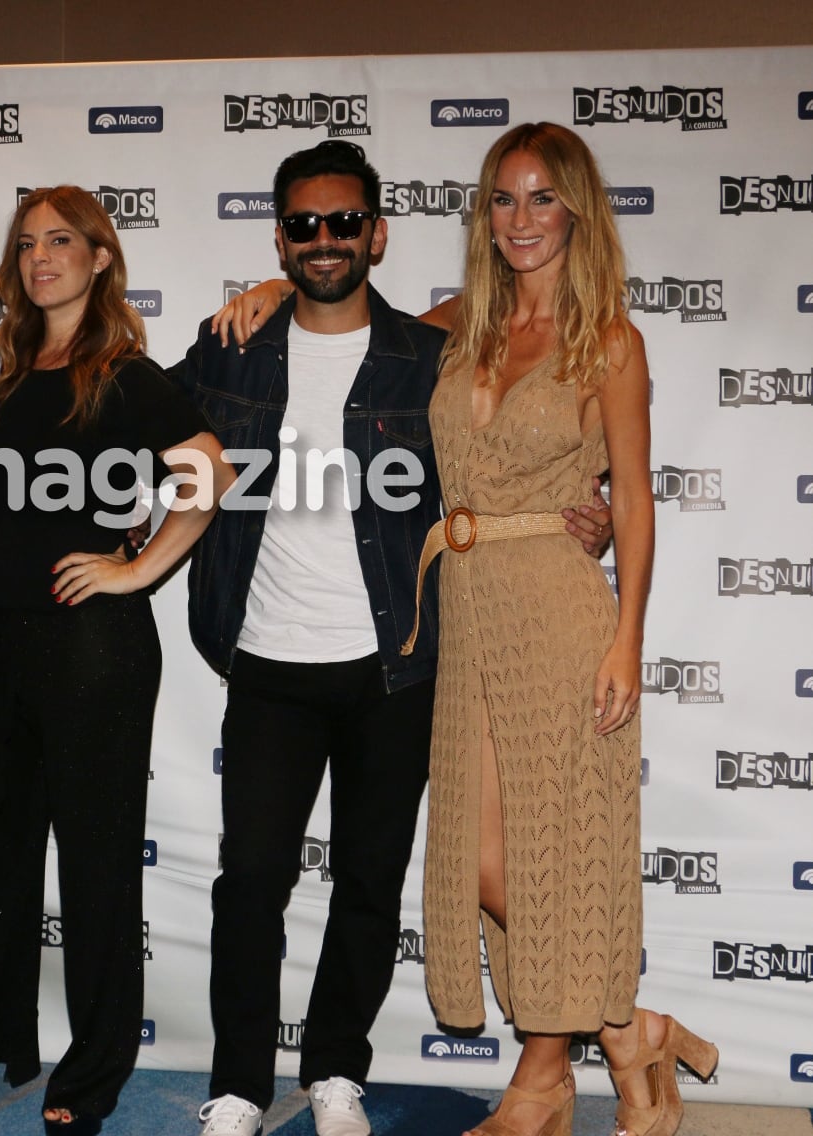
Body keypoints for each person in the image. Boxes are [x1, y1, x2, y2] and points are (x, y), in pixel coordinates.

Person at [180, 142, 614, 1136]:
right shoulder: (234, 346)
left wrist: (583, 513)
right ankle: (240, 1083)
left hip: (399, 663)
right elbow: (144, 415)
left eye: (343, 222)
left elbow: (515, 429)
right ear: (280, 236)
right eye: (302, 224)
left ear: (376, 233)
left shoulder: (432, 353)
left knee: (370, 880)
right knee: (250, 876)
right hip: (269, 660)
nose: (324, 240)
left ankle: (337, 1071)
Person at [411, 122, 715, 1136]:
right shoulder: (454, 324)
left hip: (558, 606)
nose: (521, 219)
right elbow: (339, 309)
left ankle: (543, 1078)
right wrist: (271, 292)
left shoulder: (609, 340)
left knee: (551, 847)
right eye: (503, 198)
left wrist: (626, 637)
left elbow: (631, 499)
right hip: (466, 606)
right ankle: (632, 1033)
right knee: (483, 858)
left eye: (543, 198)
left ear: (577, 210)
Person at [0, 187, 233, 1136]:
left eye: (62, 241)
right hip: (1, 644)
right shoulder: (3, 371)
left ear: (101, 257)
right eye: (26, 245)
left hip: (94, 650)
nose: (41, 257)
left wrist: (136, 569)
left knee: (96, 867)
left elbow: (209, 474)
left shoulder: (123, 373)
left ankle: (97, 1063)